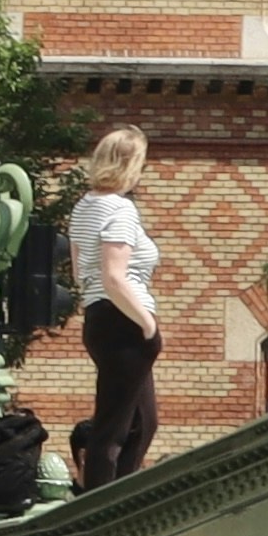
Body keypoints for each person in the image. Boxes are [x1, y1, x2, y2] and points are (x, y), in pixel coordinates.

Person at [68, 129, 167, 491]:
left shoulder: (85, 206)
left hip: (100, 318)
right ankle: (101, 509)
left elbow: (80, 271)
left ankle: (120, 496)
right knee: (114, 429)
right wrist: (146, 323)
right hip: (124, 322)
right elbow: (114, 276)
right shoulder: (121, 209)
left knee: (143, 423)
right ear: (130, 165)